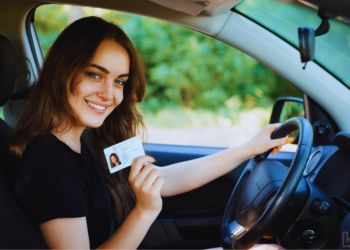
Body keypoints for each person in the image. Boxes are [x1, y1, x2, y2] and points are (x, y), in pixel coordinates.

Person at [8, 16, 289, 250]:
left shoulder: (87, 137)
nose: (109, 94)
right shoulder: (51, 162)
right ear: (62, 71)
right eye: (95, 74)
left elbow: (160, 180)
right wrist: (145, 211)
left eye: (119, 81)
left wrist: (247, 149)